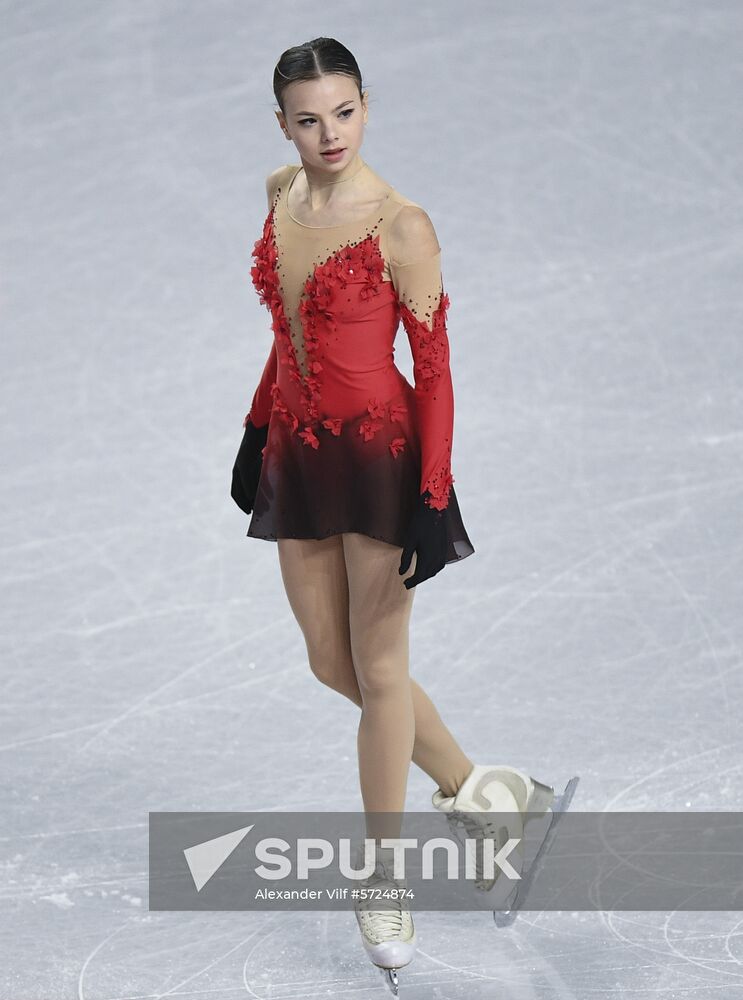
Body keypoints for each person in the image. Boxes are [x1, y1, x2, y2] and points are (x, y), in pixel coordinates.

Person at [231, 37, 557, 994]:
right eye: (307, 118)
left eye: (344, 111)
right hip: (299, 449)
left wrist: (431, 496)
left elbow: (437, 370)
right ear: (282, 123)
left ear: (365, 105)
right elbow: (286, 331)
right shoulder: (277, 195)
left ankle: (383, 877)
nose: (328, 134)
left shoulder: (402, 225)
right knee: (329, 662)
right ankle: (488, 796)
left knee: (378, 671)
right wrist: (256, 427)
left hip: (380, 459)